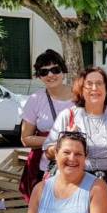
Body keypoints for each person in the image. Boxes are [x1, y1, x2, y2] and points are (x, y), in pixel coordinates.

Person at [44, 67, 107, 195]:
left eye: (99, 83)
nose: (94, 88)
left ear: (106, 88)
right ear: (81, 89)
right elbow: (48, 152)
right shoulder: (68, 116)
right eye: (89, 84)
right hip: (79, 186)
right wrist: (66, 141)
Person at [19, 49, 72, 201]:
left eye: (55, 69)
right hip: (45, 169)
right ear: (39, 76)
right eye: (44, 72)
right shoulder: (35, 99)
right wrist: (56, 141)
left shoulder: (80, 96)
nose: (50, 75)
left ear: (63, 70)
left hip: (77, 166)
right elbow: (25, 138)